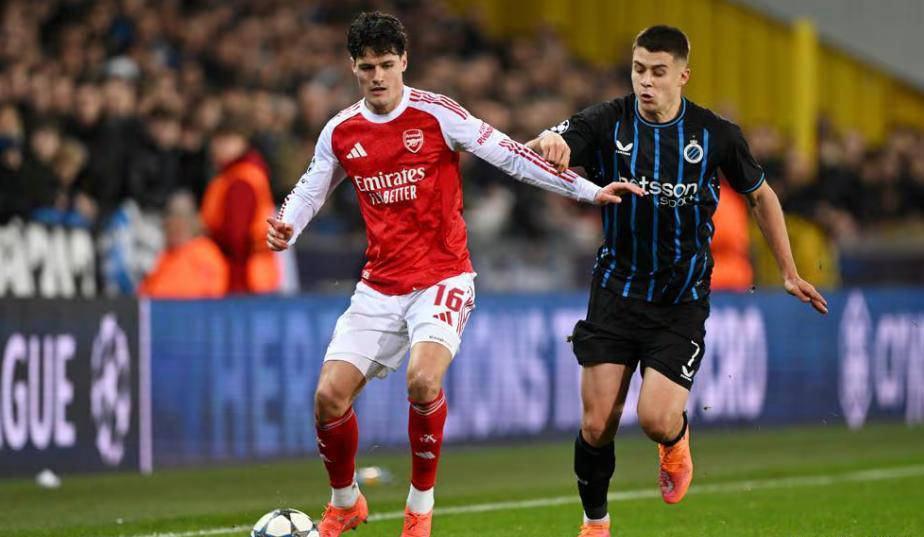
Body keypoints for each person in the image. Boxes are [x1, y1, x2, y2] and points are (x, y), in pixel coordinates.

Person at [265, 11, 641, 537]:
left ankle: (419, 508)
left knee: (423, 380)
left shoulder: (438, 115)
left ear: (404, 62)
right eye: (367, 67)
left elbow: (512, 156)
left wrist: (588, 191)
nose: (377, 76)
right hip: (380, 285)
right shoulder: (341, 131)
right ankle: (345, 501)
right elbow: (311, 188)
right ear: (353, 68)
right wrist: (288, 225)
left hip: (443, 277)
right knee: (328, 397)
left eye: (386, 64)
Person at [526, 25, 828, 537]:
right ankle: (595, 524)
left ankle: (675, 439)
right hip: (616, 292)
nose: (646, 81)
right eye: (639, 69)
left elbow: (761, 196)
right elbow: (540, 147)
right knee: (596, 425)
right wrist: (549, 143)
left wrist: (790, 271)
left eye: (659, 72)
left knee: (656, 419)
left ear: (682, 76)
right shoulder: (606, 121)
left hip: (679, 300)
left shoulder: (715, 134)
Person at [201, 118, 281, 294]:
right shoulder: (242, 175)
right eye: (217, 141)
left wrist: (204, 234)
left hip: (242, 276)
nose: (218, 147)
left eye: (226, 141)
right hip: (254, 273)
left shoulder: (240, 181)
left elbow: (236, 237)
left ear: (242, 143)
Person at [137, 190, 229, 299]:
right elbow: (143, 295)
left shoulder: (206, 254)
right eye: (171, 215)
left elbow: (209, 296)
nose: (175, 222)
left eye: (182, 216)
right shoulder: (162, 256)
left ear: (195, 220)